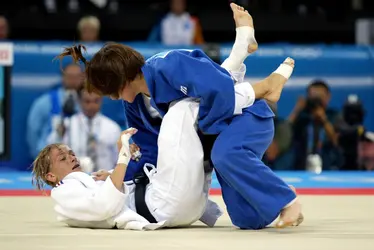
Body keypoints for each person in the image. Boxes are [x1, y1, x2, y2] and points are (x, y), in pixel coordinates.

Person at [57, 3, 302, 229]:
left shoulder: (167, 65)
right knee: (246, 218)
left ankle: (288, 201)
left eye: (111, 91)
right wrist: (118, 178)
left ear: (122, 79)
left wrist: (202, 132)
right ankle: (272, 190)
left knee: (221, 150)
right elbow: (147, 151)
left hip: (247, 116)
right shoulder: (135, 106)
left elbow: (222, 90)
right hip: (219, 132)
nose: (112, 98)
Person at [32, 97, 227, 230]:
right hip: (160, 206)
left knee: (195, 142)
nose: (72, 157)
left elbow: (110, 195)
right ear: (50, 176)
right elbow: (105, 206)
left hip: (180, 208)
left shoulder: (88, 183)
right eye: (63, 158)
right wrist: (124, 156)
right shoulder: (63, 191)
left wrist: (119, 168)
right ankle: (237, 80)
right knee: (180, 111)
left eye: (71, 153)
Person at [46, 87, 122, 172]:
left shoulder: (112, 128)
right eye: (87, 101)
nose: (91, 105)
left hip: (105, 179)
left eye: (96, 101)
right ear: (79, 101)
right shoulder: (68, 124)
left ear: (101, 100)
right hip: (74, 178)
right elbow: (51, 149)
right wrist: (58, 134)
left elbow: (120, 160)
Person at [27, 63, 83, 159]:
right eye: (70, 76)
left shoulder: (88, 103)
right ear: (63, 77)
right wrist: (40, 159)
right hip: (49, 160)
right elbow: (33, 133)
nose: (74, 80)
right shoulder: (44, 102)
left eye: (77, 77)